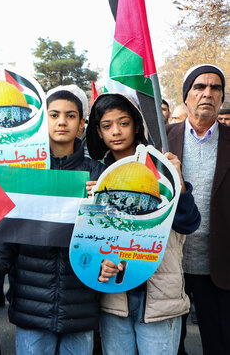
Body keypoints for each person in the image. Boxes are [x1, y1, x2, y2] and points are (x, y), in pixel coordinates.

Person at [0, 90, 105, 355]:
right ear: (44, 120)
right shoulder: (23, 171)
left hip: (79, 306)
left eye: (70, 116)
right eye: (54, 115)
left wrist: (99, 204)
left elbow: (108, 238)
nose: (62, 122)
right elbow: (9, 237)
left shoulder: (97, 174)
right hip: (32, 306)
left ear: (81, 123)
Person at [87, 92, 201, 355]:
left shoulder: (164, 169)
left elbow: (188, 223)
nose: (116, 131)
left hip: (159, 296)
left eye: (124, 123)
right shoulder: (94, 175)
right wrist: (92, 204)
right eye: (107, 125)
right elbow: (86, 242)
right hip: (114, 295)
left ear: (137, 125)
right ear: (99, 131)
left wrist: (178, 184)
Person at [167, 64, 230, 354]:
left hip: (218, 267)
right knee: (170, 345)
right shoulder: (163, 139)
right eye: (199, 87)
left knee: (218, 342)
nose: (208, 93)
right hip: (171, 268)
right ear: (186, 96)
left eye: (215, 88)